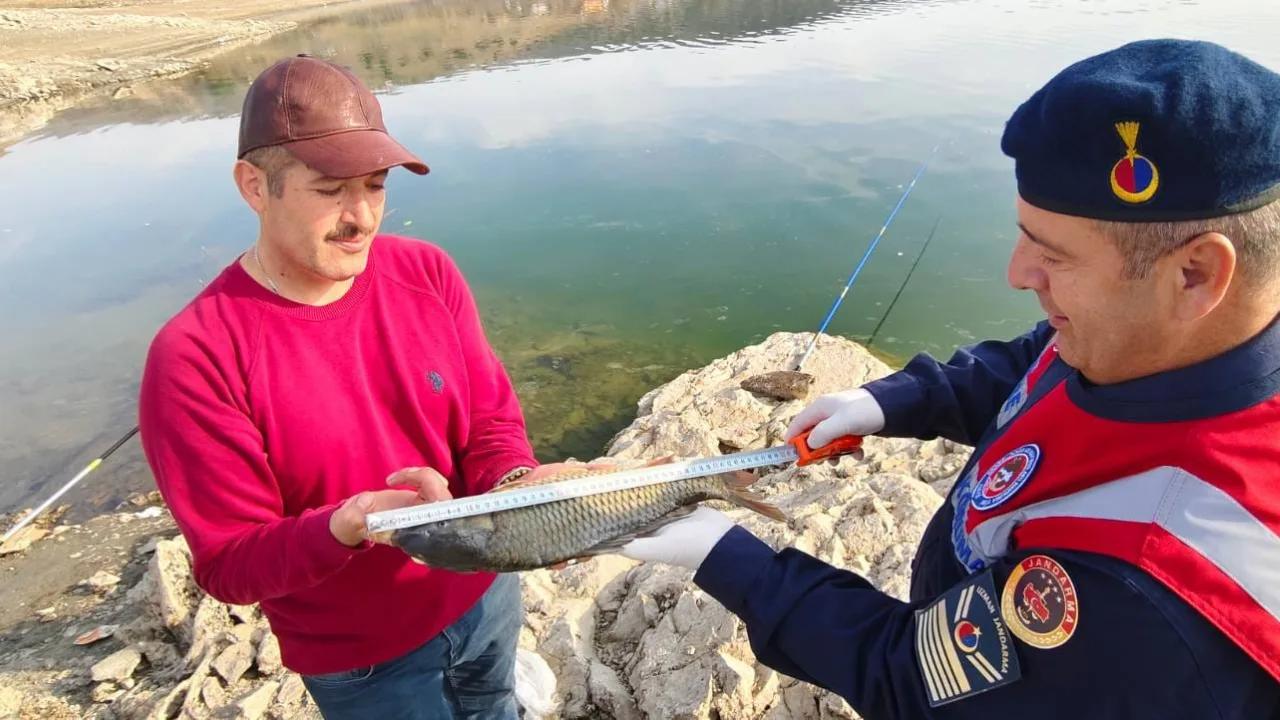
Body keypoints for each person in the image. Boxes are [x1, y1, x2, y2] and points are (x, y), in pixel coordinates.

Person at [612, 38, 1280, 718]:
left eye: (1053, 255)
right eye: (1024, 237)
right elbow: (1035, 360)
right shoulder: (1148, 338)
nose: (1017, 274)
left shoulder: (1146, 588)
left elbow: (915, 681)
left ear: (1195, 276)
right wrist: (887, 402)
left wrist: (729, 557)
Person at [137, 54, 581, 719]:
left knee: (497, 709)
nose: (363, 217)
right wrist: (342, 527)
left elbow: (489, 424)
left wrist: (517, 488)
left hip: (486, 598)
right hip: (366, 664)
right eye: (329, 189)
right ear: (255, 186)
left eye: (374, 185)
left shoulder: (428, 273)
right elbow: (228, 563)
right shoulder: (195, 357)